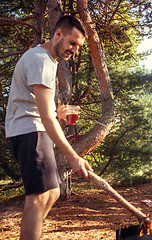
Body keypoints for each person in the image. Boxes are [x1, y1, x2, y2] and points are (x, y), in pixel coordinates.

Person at [5, 16, 93, 239]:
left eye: (79, 46)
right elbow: (44, 117)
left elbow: (41, 108)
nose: (75, 50)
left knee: (50, 193)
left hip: (29, 130)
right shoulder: (41, 60)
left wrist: (57, 114)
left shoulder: (44, 59)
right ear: (58, 34)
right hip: (29, 131)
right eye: (72, 43)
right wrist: (73, 157)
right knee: (41, 195)